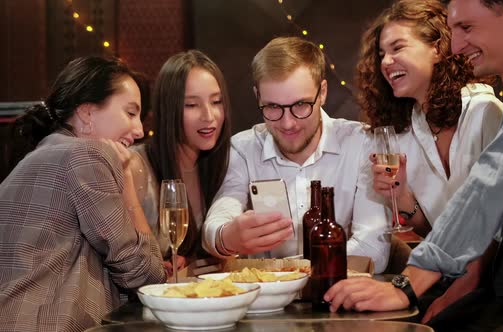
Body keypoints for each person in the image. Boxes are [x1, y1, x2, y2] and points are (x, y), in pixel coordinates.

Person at [325, 0, 503, 330]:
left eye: (467, 28)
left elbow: (490, 187)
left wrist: (407, 286)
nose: (457, 44)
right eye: (453, 31)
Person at [357, 0, 503, 322]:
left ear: (438, 48)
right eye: (381, 53)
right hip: (447, 276)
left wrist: (459, 288)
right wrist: (402, 196)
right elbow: (435, 228)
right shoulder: (409, 127)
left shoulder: (484, 112)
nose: (386, 62)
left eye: (397, 48)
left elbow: (497, 227)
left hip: (498, 281)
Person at [0, 56, 166, 331]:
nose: (138, 130)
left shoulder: (40, 154)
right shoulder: (87, 155)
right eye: (130, 112)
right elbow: (146, 276)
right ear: (87, 114)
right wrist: (125, 179)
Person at [202, 36, 391, 273]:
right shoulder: (243, 148)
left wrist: (295, 271)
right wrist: (227, 237)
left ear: (322, 92)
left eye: (301, 105)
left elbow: (374, 248)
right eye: (272, 107)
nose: (288, 123)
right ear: (257, 96)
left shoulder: (361, 143)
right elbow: (216, 224)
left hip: (338, 297)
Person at [129, 50, 231, 276]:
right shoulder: (136, 166)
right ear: (169, 108)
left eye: (216, 102)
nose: (209, 116)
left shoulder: (220, 166)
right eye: (191, 105)